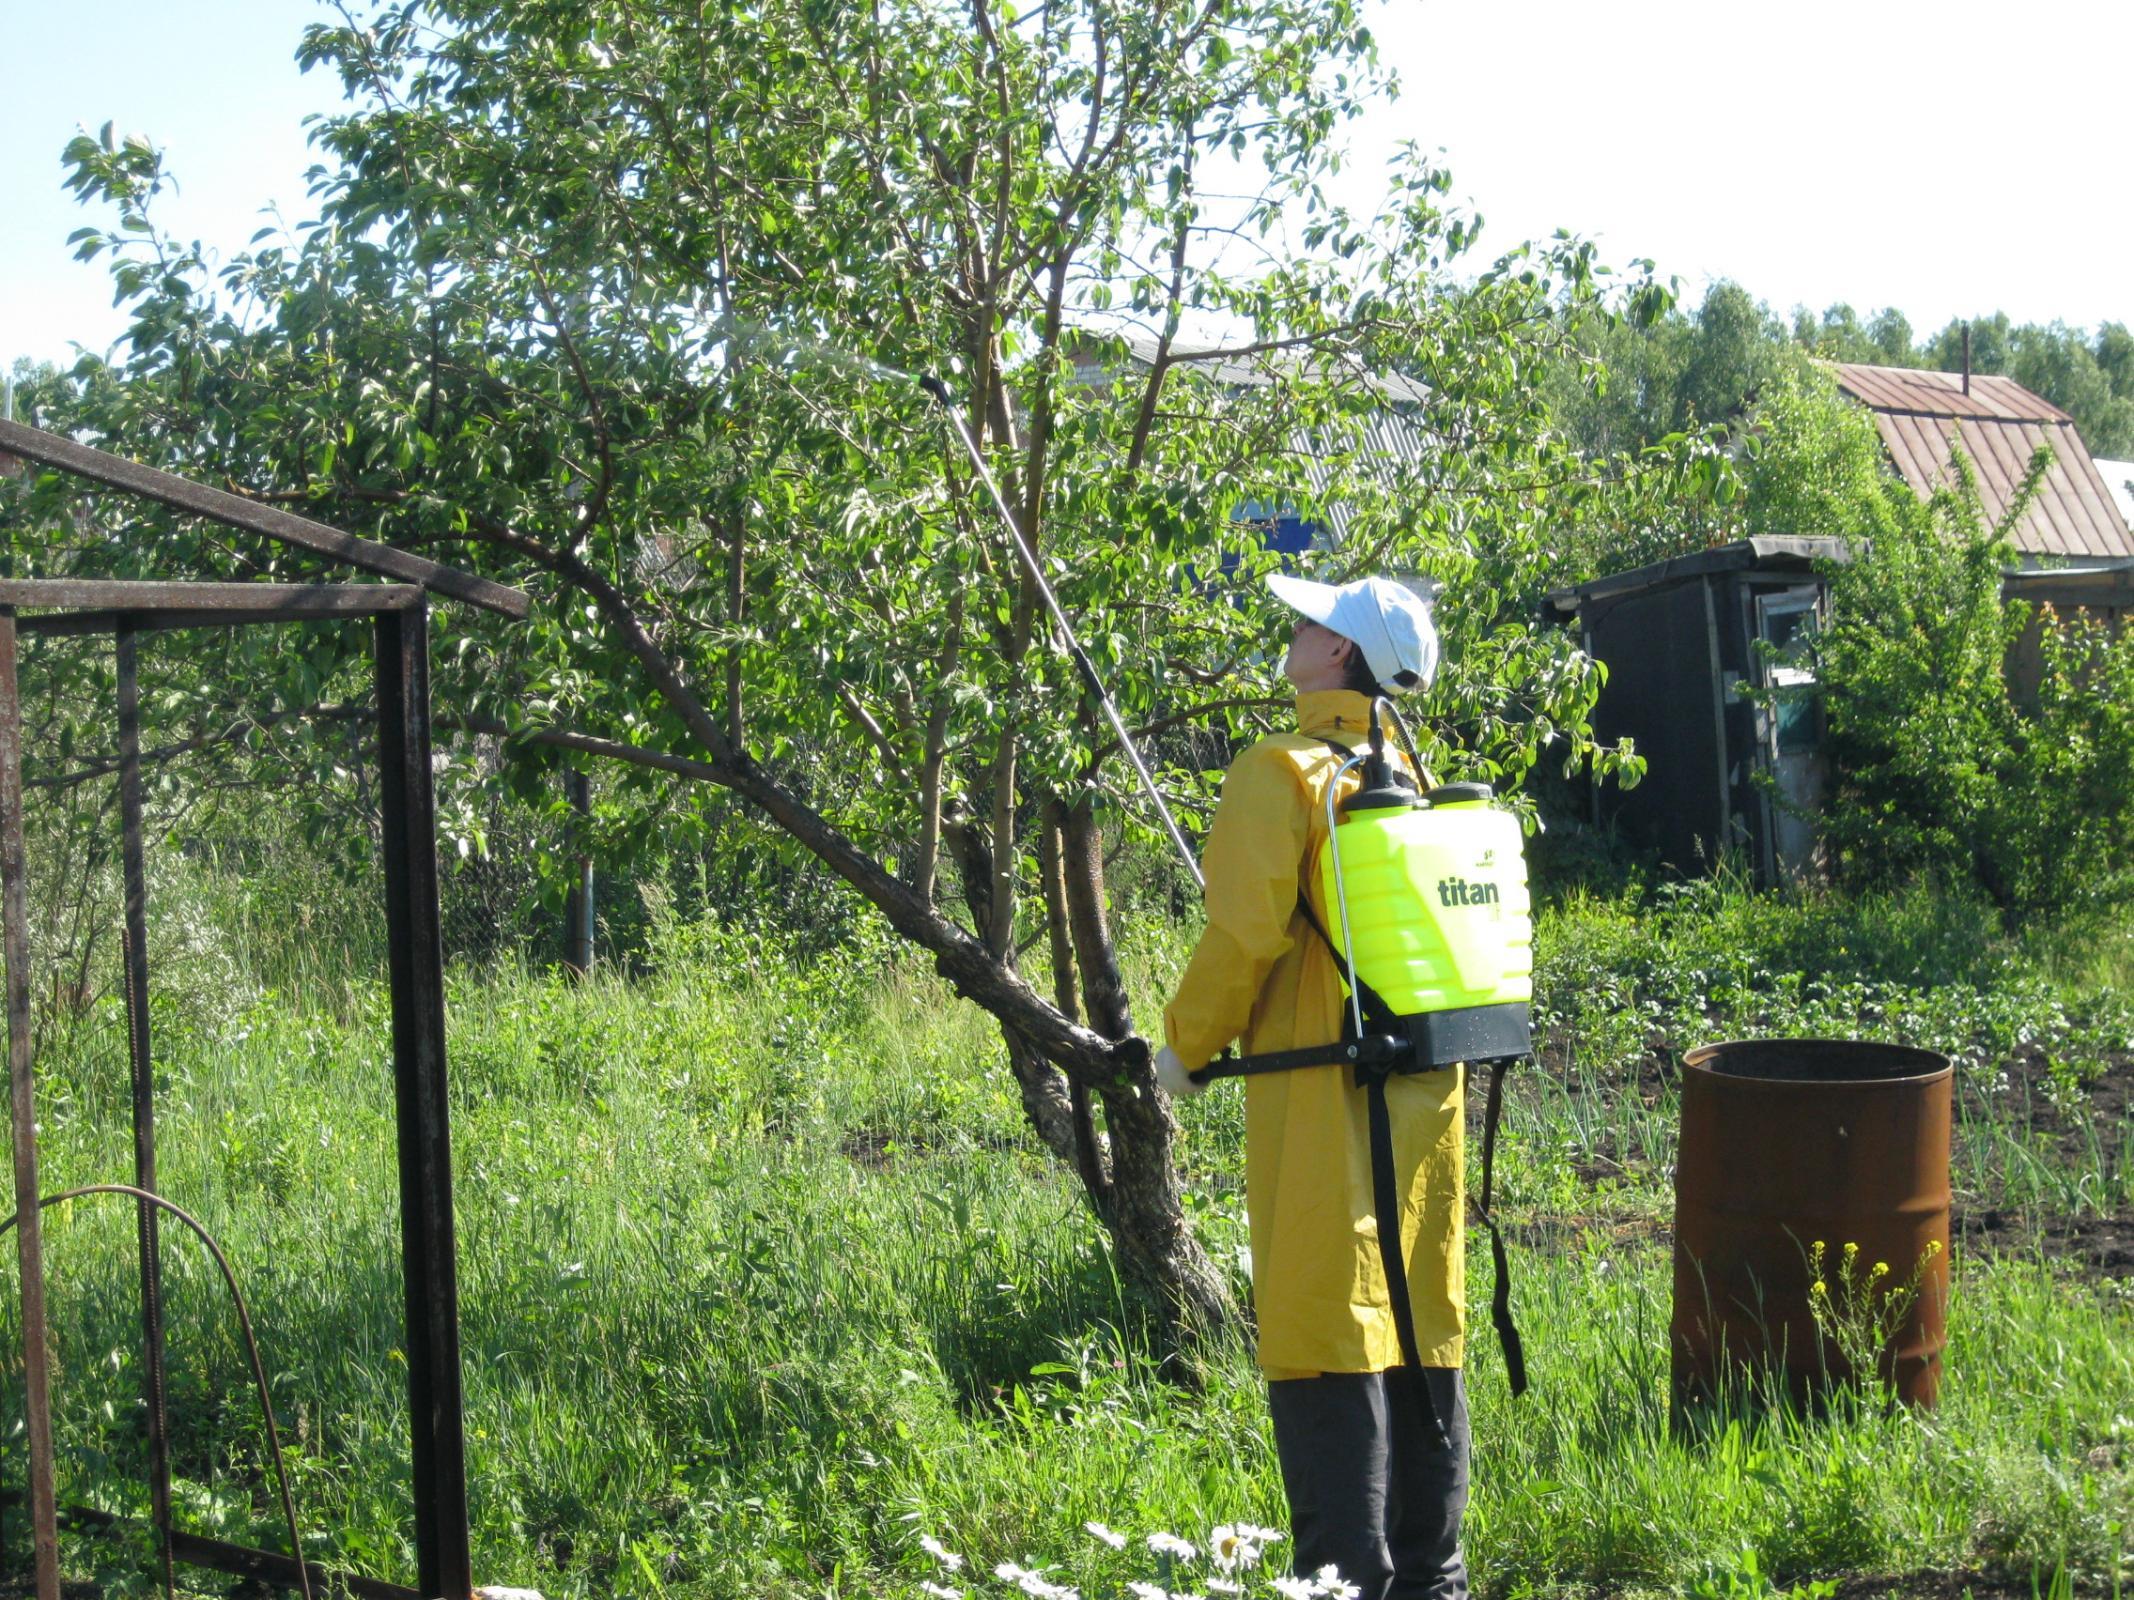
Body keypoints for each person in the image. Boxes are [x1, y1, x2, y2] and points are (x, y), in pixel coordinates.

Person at [1154, 572, 1469, 1600]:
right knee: (1418, 1317)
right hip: (1424, 1099)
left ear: (1338, 655)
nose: (1290, 629)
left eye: (1307, 621)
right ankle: (1432, 1578)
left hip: (1322, 1096)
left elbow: (1245, 932)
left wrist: (1183, 1046)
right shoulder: (1412, 778)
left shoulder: (1277, 771)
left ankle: (1342, 1584)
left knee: (1322, 1318)